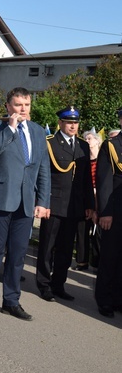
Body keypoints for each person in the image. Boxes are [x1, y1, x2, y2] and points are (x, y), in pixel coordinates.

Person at [0, 87, 51, 323]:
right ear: (8, 107)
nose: (23, 109)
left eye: (27, 105)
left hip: (26, 202)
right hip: (0, 199)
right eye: (19, 105)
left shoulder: (38, 131)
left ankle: (11, 300)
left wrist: (43, 200)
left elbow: (43, 169)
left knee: (18, 254)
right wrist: (10, 128)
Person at [36, 106, 95, 303]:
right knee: (47, 247)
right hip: (54, 203)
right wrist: (42, 202)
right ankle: (44, 284)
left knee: (66, 249)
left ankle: (58, 284)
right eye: (69, 122)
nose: (73, 125)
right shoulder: (50, 143)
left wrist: (89, 204)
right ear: (60, 123)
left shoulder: (83, 146)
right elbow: (42, 175)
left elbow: (86, 178)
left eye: (75, 122)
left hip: (74, 206)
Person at [95, 107, 122, 317]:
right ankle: (105, 299)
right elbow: (104, 182)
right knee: (110, 256)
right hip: (115, 211)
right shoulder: (111, 146)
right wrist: (105, 212)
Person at [72, 130, 102, 271]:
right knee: (82, 230)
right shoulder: (82, 159)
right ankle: (82, 261)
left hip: (101, 198)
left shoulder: (103, 159)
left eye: (90, 138)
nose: (87, 141)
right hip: (85, 200)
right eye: (85, 139)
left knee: (98, 233)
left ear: (97, 141)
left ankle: (97, 262)